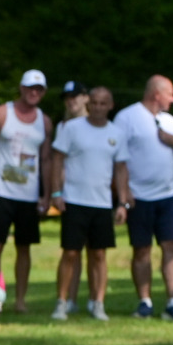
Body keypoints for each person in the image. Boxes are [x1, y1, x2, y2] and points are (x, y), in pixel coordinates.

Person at [49, 86, 129, 322]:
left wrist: (123, 202)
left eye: (103, 103)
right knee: (70, 253)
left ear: (110, 106)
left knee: (99, 255)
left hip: (102, 203)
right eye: (94, 103)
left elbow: (121, 169)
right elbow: (57, 159)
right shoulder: (71, 129)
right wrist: (56, 192)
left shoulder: (117, 133)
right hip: (74, 199)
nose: (98, 107)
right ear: (88, 104)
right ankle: (62, 302)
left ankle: (98, 302)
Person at [116, 75, 173, 321]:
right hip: (139, 197)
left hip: (168, 195)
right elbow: (119, 160)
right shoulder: (127, 118)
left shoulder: (170, 121)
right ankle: (145, 302)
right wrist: (124, 194)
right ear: (156, 94)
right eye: (169, 93)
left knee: (172, 246)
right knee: (142, 250)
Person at [0, 70, 52, 314]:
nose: (34, 92)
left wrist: (47, 194)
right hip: (0, 191)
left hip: (28, 196)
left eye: (39, 89)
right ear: (21, 88)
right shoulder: (1, 113)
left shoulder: (45, 121)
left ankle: (20, 301)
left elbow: (47, 159)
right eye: (30, 87)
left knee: (25, 247)